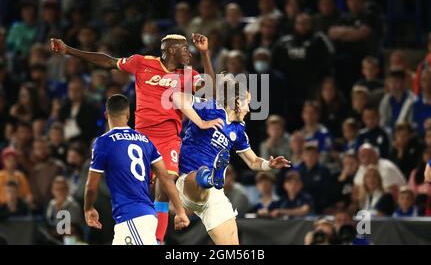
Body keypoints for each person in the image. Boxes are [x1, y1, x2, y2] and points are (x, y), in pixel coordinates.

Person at [51, 32, 215, 243]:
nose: (189, 53)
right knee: (140, 191)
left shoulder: (188, 75)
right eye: (185, 49)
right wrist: (69, 50)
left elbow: (210, 91)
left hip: (169, 139)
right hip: (141, 139)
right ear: (171, 51)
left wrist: (206, 54)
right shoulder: (141, 63)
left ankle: (157, 240)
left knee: (165, 186)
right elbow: (108, 61)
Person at [173, 76, 290, 244]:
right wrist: (201, 122)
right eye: (247, 103)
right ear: (236, 101)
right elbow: (177, 97)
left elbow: (252, 161)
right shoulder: (210, 106)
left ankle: (212, 178)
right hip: (189, 181)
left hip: (214, 195)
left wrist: (268, 164)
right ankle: (209, 177)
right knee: (199, 177)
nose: (249, 109)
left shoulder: (239, 130)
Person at [84, 94, 190, 245]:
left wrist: (88, 208)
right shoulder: (145, 140)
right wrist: (180, 211)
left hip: (133, 219)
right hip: (139, 218)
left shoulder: (103, 142)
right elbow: (166, 179)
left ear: (106, 114)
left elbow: (91, 186)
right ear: (128, 115)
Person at [295, 142, 332, 213]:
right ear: (302, 156)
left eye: (312, 155)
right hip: (301, 205)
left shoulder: (323, 171)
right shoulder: (299, 170)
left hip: (318, 207)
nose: (309, 158)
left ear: (318, 156)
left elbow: (326, 191)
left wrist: (322, 206)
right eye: (307, 155)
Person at [412, 69, 431, 136]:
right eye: (424, 80)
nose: (427, 83)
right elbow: (415, 127)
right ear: (420, 82)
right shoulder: (416, 104)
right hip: (422, 140)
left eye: (430, 80)